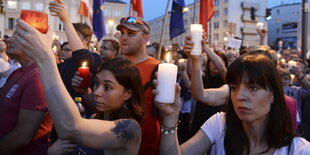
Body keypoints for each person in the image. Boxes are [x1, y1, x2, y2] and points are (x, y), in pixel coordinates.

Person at [14, 19, 145, 155]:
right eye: (97, 83)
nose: (97, 92)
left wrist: (45, 58)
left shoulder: (130, 129)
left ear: (127, 93)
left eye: (107, 87)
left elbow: (71, 128)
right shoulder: (94, 117)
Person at [155, 54, 310, 155]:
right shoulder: (220, 124)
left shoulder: (299, 150)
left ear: (274, 95)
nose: (240, 96)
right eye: (234, 88)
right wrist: (170, 119)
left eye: (253, 88)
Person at [0, 33, 52, 154]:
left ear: (33, 44)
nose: (8, 40)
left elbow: (23, 135)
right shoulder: (17, 72)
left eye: (17, 36)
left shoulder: (37, 77)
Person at [116, 16, 161, 155]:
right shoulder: (115, 67)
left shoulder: (159, 70)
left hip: (147, 149)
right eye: (122, 33)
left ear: (146, 38)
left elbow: (167, 115)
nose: (124, 37)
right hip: (114, 146)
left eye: (131, 34)